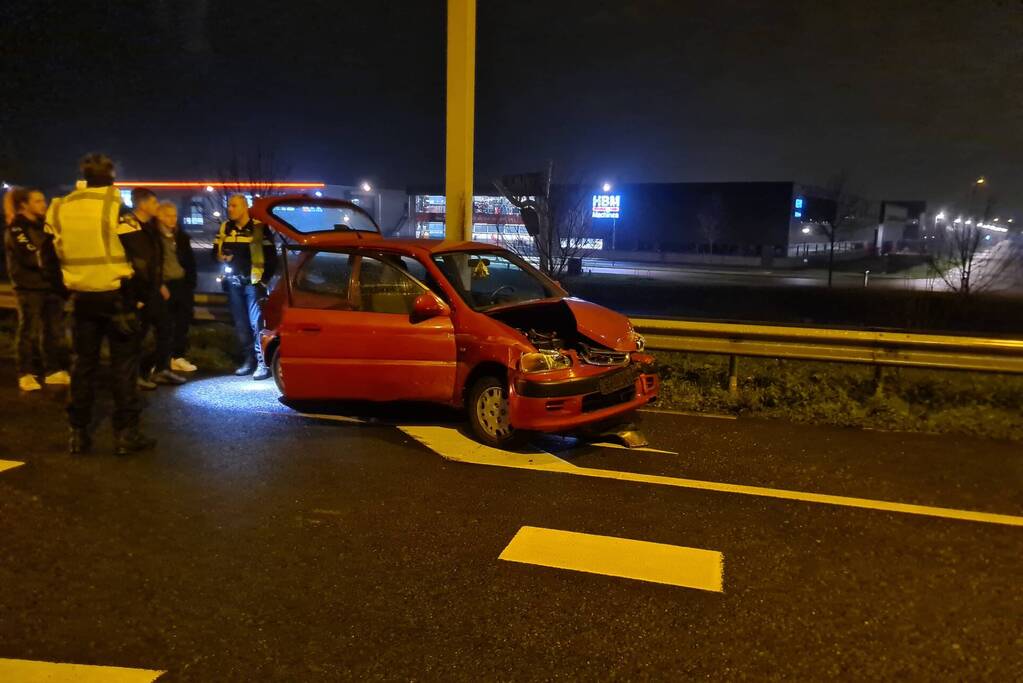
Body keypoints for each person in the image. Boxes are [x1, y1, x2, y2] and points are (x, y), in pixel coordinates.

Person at [46, 153, 156, 456]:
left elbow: (48, 258)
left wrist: (66, 291)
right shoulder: (114, 206)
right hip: (117, 297)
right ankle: (125, 435)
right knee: (123, 367)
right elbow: (142, 257)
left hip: (81, 298)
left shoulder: (60, 207)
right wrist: (140, 296)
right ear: (111, 177)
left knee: (83, 366)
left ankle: (78, 434)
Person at [3, 187, 69, 391]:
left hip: (50, 285)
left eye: (44, 200)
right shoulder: (17, 229)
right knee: (28, 330)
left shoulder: (45, 226)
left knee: (53, 330)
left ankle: (52, 370)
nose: (44, 204)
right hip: (29, 286)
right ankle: (25, 372)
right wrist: (53, 262)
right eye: (38, 201)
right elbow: (31, 256)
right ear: (24, 205)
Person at [121, 188, 185, 387]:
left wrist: (158, 285)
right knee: (139, 335)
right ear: (142, 204)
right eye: (154, 203)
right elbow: (138, 262)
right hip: (137, 290)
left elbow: (153, 260)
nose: (157, 207)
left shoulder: (147, 227)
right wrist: (141, 293)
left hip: (151, 289)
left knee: (165, 327)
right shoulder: (128, 227)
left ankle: (160, 369)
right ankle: (135, 375)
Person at [214, 194, 277, 380]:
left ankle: (262, 362)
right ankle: (248, 360)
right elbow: (214, 252)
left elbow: (271, 257)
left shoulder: (259, 228)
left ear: (244, 207)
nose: (230, 209)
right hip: (233, 283)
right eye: (229, 206)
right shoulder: (225, 228)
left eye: (234, 206)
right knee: (241, 324)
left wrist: (264, 280)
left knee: (256, 324)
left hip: (253, 283)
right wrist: (221, 257)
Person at [155, 201, 198, 373]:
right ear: (159, 217)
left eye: (174, 216)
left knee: (182, 322)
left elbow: (189, 262)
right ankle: (161, 361)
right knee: (164, 325)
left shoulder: (180, 237)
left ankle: (177, 357)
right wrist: (158, 284)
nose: (173, 219)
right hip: (163, 286)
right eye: (168, 216)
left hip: (181, 284)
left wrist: (190, 284)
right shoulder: (153, 237)